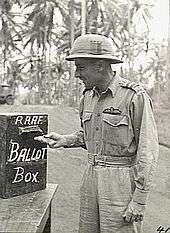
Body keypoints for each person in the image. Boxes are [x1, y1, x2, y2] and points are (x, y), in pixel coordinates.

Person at [35, 34, 159, 233]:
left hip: (120, 183)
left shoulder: (133, 96)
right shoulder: (88, 97)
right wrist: (65, 140)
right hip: (91, 178)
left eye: (80, 67)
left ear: (100, 65)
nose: (76, 74)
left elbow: (148, 151)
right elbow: (90, 135)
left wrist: (140, 199)